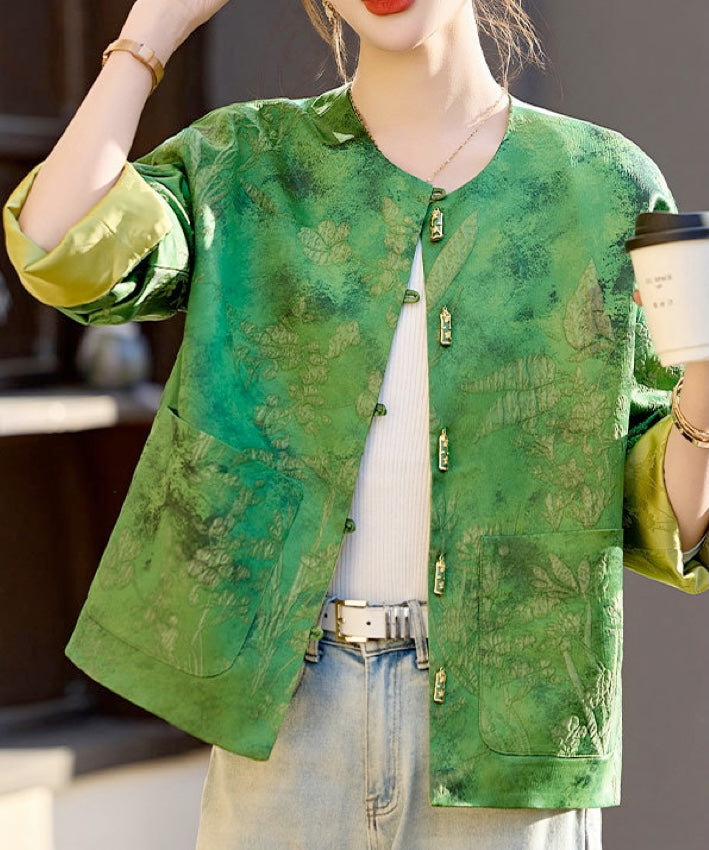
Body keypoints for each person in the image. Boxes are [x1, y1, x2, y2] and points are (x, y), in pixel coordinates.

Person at [3, 1, 708, 847]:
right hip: (289, 715)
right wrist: (150, 34)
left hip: (512, 722)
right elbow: (61, 245)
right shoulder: (245, 159)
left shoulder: (601, 182)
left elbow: (661, 513)